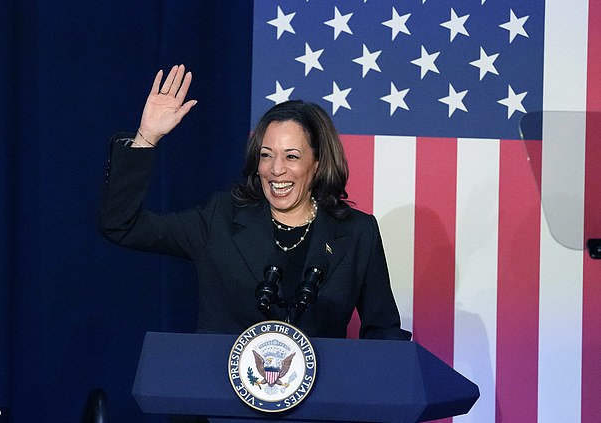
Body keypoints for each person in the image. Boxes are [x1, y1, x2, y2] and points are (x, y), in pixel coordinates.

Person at [99, 64, 410, 340]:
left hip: (320, 402)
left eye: (292, 156)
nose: (276, 169)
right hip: (225, 400)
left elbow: (382, 330)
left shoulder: (357, 232)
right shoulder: (219, 218)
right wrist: (145, 138)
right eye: (266, 155)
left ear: (318, 163)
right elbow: (121, 225)